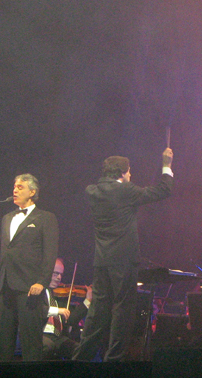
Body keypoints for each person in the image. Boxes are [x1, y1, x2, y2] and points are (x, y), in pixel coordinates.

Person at [72, 148, 173, 362]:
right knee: (122, 309)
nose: (130, 175)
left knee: (98, 310)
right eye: (128, 172)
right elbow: (163, 190)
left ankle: (80, 359)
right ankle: (114, 360)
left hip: (102, 260)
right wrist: (167, 165)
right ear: (121, 172)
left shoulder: (92, 191)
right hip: (124, 261)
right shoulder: (126, 191)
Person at [0, 173, 59, 361]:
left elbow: (50, 253)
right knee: (3, 339)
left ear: (32, 192)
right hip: (5, 284)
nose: (15, 190)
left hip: (29, 286)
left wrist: (42, 281)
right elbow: (0, 253)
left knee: (30, 340)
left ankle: (31, 373)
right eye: (14, 187)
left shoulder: (45, 218)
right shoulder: (7, 218)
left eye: (20, 187)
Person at [42, 258, 90, 360]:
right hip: (42, 334)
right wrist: (58, 311)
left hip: (58, 337)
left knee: (80, 350)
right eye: (55, 273)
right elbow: (39, 310)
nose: (59, 277)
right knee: (48, 346)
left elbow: (71, 319)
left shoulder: (60, 295)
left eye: (61, 274)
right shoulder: (40, 291)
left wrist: (88, 300)